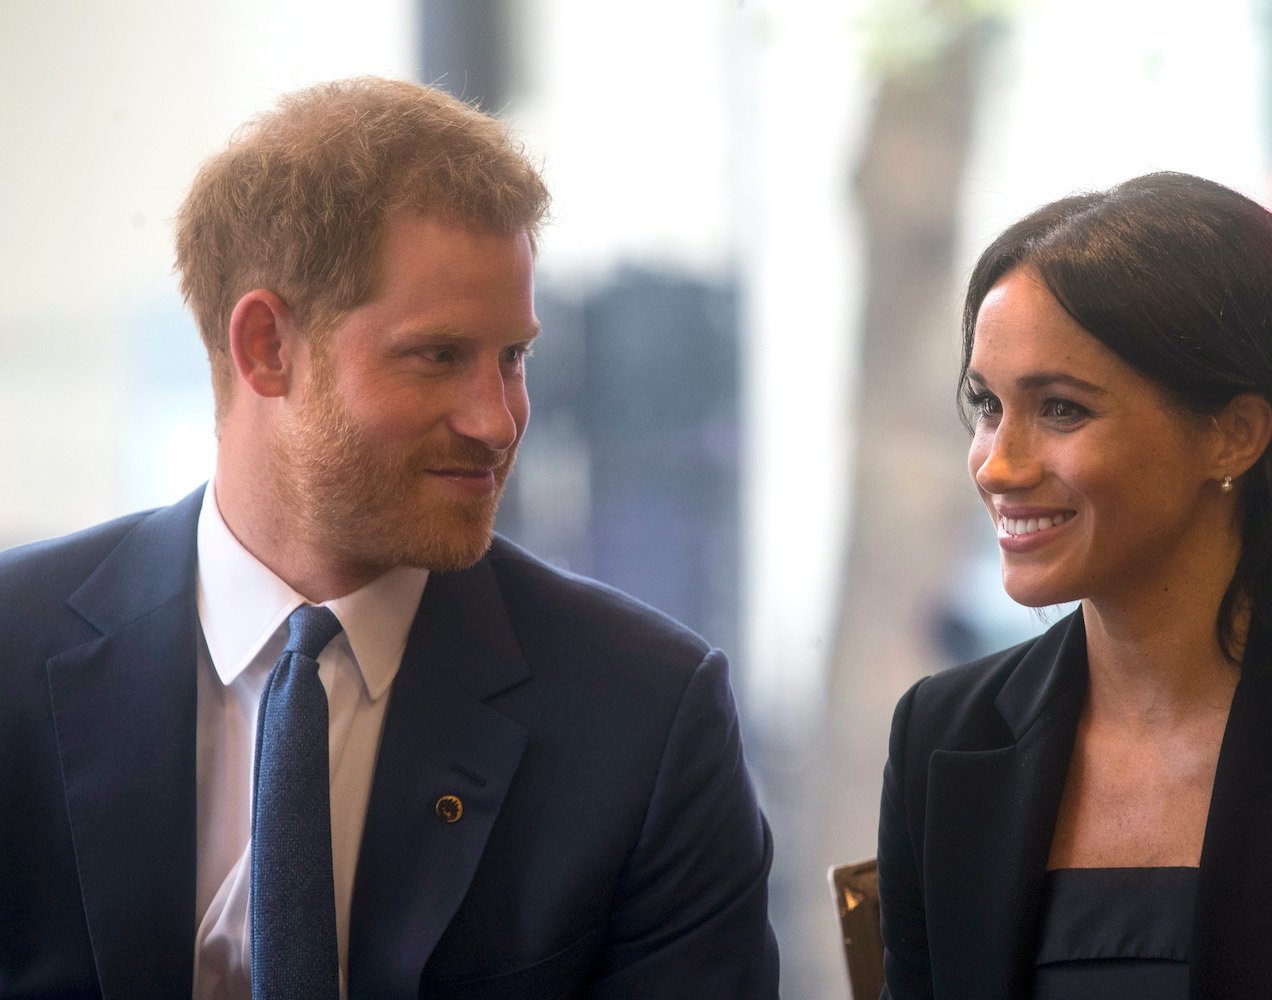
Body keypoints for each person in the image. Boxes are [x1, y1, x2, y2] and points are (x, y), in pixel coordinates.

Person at [0, 78, 778, 999]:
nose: (499, 420)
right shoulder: (16, 653)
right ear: (267, 348)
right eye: (438, 356)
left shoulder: (643, 716)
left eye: (514, 357)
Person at [877, 172, 1272, 999]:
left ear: (1234, 435)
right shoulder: (943, 734)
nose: (998, 464)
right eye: (987, 405)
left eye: (1061, 409)